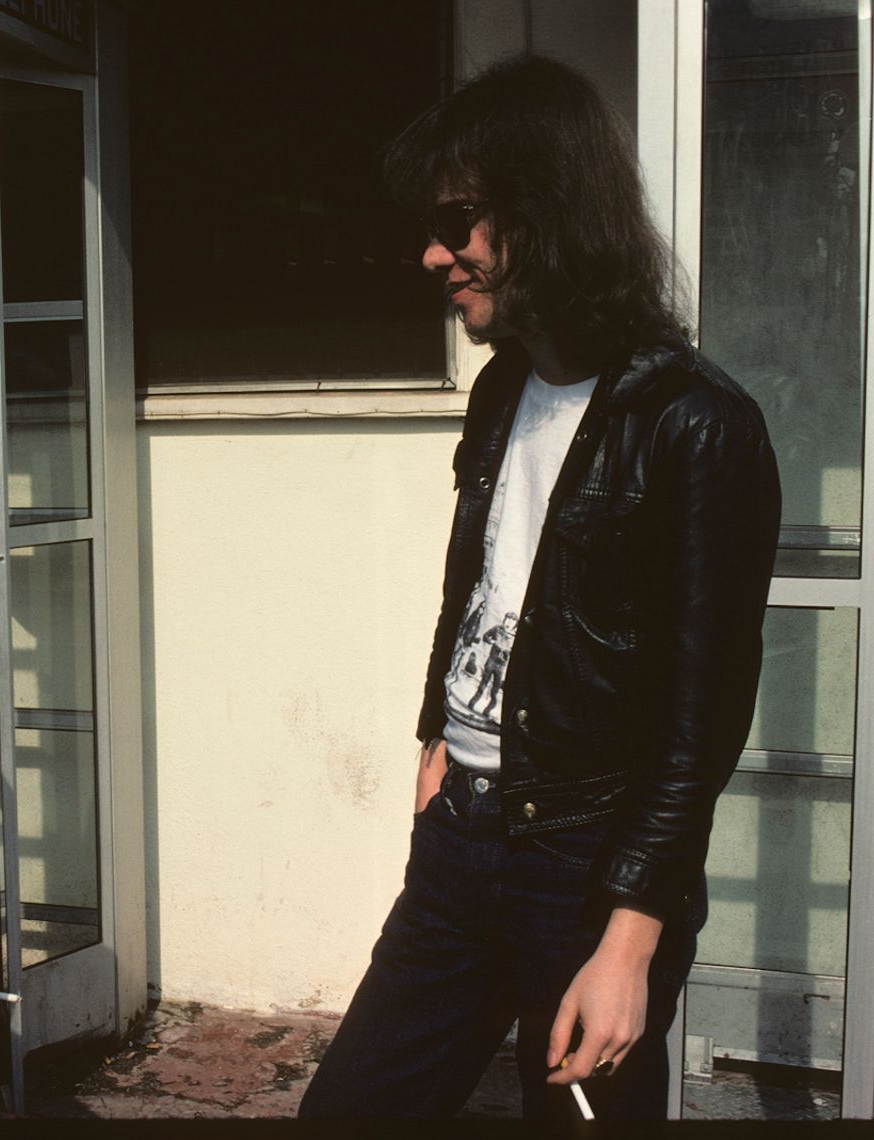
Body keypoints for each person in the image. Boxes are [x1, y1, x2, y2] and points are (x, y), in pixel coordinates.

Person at [298, 56, 780, 1121]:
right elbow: (476, 578)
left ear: (546, 208)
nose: (433, 255)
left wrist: (629, 939)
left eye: (458, 221)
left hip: (586, 865)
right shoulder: (504, 384)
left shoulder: (696, 425)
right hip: (460, 845)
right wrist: (437, 732)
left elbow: (700, 723)